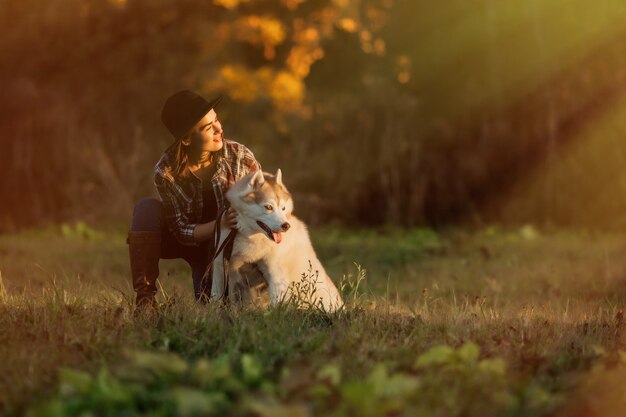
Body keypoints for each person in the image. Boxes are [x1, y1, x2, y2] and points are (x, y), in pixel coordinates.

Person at [127, 90, 261, 311]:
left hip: (224, 247)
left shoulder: (240, 156)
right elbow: (180, 230)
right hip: (187, 240)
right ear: (187, 139)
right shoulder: (165, 171)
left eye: (216, 119)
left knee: (213, 304)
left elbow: (264, 208)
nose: (219, 129)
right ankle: (145, 302)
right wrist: (219, 224)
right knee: (146, 209)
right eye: (208, 127)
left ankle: (220, 280)